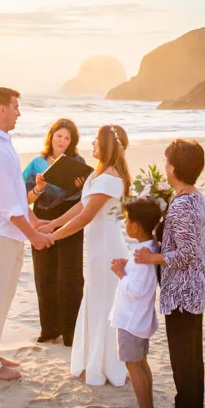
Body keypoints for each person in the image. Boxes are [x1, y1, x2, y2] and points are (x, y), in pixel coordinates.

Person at [0, 87, 54, 382]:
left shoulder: (3, 144)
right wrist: (33, 235)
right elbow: (7, 205)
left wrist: (34, 221)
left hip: (9, 234)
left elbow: (18, 195)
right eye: (15, 107)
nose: (19, 112)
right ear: (2, 109)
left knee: (2, 300)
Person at [41, 124, 130, 387]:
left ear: (106, 145)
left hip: (107, 249)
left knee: (105, 303)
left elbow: (86, 217)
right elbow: (81, 205)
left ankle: (106, 365)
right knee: (94, 298)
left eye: (95, 141)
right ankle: (92, 360)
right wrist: (53, 223)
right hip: (95, 249)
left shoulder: (111, 178)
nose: (91, 145)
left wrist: (53, 238)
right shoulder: (97, 176)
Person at [134, 139, 205, 408]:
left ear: (175, 168)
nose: (164, 166)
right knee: (192, 353)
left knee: (183, 357)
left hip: (183, 291)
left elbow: (188, 252)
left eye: (167, 162)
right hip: (195, 287)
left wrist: (152, 257)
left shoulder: (182, 206)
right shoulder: (196, 198)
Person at [22, 118, 87, 346]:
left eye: (67, 138)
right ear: (51, 137)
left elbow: (85, 198)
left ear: (72, 142)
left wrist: (80, 185)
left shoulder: (78, 162)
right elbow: (22, 198)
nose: (62, 140)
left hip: (69, 218)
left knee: (70, 275)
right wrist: (39, 188)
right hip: (41, 218)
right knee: (44, 274)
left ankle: (71, 332)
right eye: (59, 135)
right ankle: (49, 329)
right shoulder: (36, 164)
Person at [110, 197, 162, 408]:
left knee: (133, 365)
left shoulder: (143, 253)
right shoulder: (147, 248)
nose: (125, 224)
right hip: (138, 319)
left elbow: (138, 289)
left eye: (127, 220)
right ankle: (148, 407)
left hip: (131, 319)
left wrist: (121, 273)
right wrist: (127, 265)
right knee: (141, 363)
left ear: (136, 226)